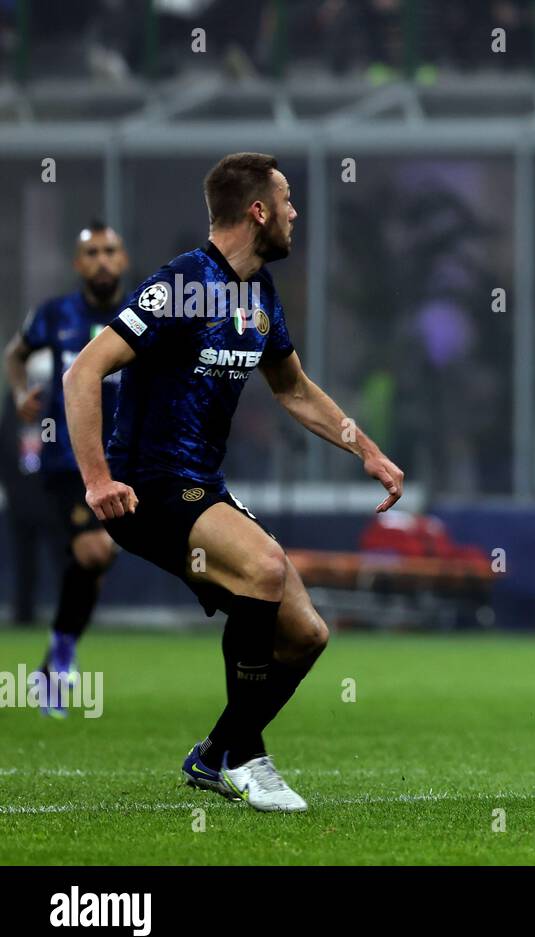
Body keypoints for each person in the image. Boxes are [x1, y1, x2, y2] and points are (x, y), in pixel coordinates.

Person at [63, 153, 404, 811]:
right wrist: (97, 479)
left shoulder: (259, 293)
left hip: (201, 485)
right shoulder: (181, 284)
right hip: (147, 485)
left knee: (306, 634)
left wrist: (367, 451)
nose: (295, 212)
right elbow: (83, 373)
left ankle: (216, 752)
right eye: (287, 200)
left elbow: (293, 387)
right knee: (265, 567)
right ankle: (246, 758)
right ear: (258, 211)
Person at [2, 221, 128, 716]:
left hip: (126, 460)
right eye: (91, 252)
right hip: (68, 460)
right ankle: (59, 660)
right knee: (96, 551)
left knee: (95, 565)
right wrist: (19, 394)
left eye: (109, 251)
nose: (101, 260)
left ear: (122, 260)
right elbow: (15, 355)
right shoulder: (54, 315)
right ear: (78, 264)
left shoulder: (138, 312)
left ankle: (55, 663)